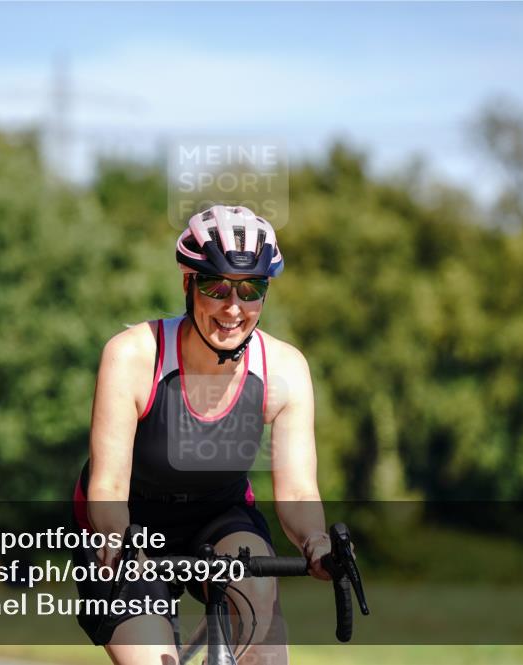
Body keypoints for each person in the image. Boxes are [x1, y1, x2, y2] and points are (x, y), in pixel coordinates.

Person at [70, 205, 330, 664]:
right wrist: (116, 541)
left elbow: (298, 490)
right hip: (129, 526)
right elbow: (107, 488)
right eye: (217, 286)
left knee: (261, 621)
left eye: (252, 289)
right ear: (188, 284)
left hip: (220, 514)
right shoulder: (133, 356)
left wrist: (317, 543)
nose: (234, 307)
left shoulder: (285, 368)